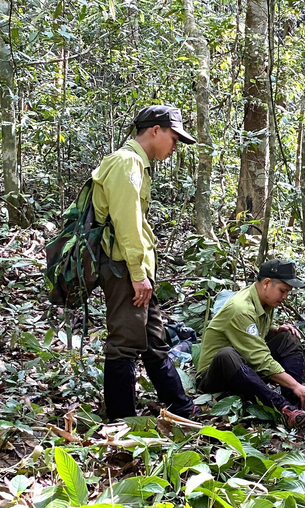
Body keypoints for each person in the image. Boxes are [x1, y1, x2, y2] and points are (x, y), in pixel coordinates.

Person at [92, 105, 198, 421]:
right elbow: (127, 223)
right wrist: (138, 274)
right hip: (123, 267)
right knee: (124, 346)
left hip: (134, 269)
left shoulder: (137, 164)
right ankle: (121, 422)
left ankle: (180, 405)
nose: (175, 146)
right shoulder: (126, 163)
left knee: (153, 340)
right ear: (155, 130)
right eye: (174, 138)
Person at [196, 259, 305, 428]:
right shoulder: (240, 308)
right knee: (226, 355)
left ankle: (296, 402)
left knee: (288, 339)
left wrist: (274, 332)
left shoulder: (265, 302)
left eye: (287, 292)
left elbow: (254, 336)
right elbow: (260, 358)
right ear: (267, 283)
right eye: (282, 291)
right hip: (216, 377)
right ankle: (283, 407)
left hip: (245, 368)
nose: (285, 297)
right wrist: (295, 384)